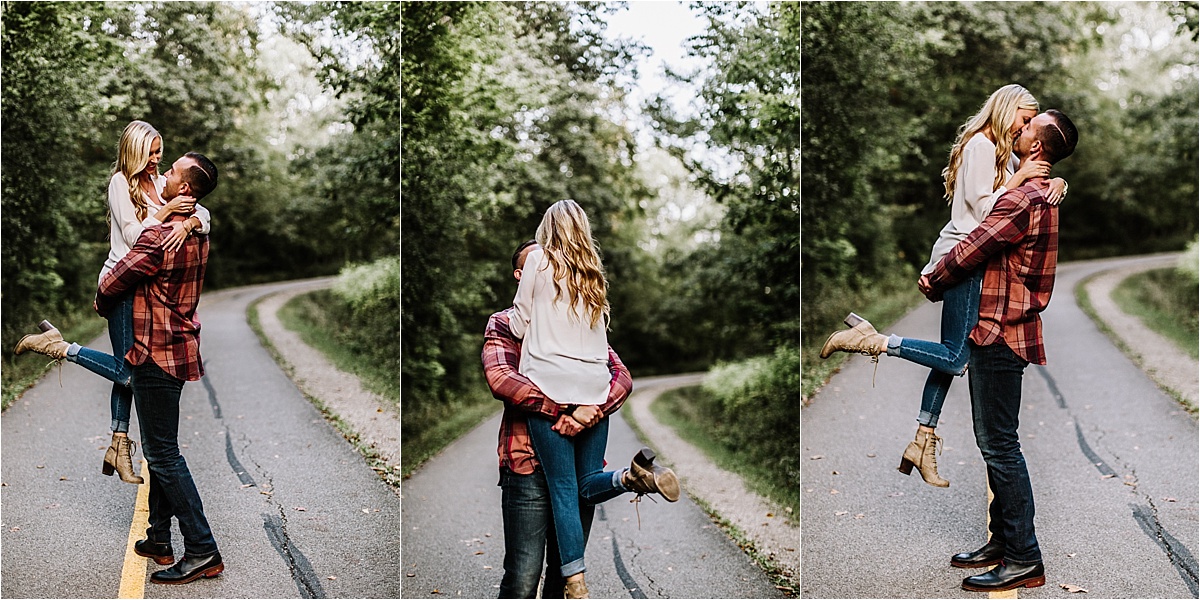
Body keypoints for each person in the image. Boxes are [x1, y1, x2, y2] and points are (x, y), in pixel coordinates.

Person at [817, 85, 1067, 487]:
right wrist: (1021, 176)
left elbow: (1017, 197)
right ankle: (872, 340)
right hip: (962, 256)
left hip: (974, 259)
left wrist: (1059, 184)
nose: (1025, 128)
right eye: (1023, 118)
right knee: (955, 358)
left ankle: (922, 438)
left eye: (1030, 124)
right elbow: (984, 211)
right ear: (1006, 109)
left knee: (949, 354)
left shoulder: (997, 150)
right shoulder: (981, 147)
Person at [920, 109, 1078, 592]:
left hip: (998, 330)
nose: (1021, 127)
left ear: (1036, 148)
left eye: (1030, 126)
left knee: (999, 445)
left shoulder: (1022, 199)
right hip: (1013, 329)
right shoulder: (1038, 192)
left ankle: (1025, 557)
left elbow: (973, 248)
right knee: (997, 443)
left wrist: (932, 278)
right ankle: (1001, 541)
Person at [13, 120, 210, 484]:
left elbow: (203, 210)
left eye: (160, 154)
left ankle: (118, 444)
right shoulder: (121, 182)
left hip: (142, 290)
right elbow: (135, 236)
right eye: (151, 154)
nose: (157, 161)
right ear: (134, 152)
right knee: (129, 373)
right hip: (119, 285)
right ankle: (61, 348)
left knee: (128, 367)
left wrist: (190, 223)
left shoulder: (158, 182)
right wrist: (167, 215)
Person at [507, 201, 679, 600]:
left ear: (547, 229)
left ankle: (576, 582)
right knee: (587, 483)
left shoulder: (538, 263)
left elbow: (517, 324)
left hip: (549, 387)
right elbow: (599, 344)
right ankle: (631, 477)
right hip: (594, 391)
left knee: (564, 489)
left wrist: (528, 307)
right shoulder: (593, 276)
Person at [95, 151, 224, 585]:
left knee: (163, 455)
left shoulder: (159, 238)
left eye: (171, 172)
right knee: (163, 446)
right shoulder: (197, 233)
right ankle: (159, 538)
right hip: (180, 346)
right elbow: (202, 218)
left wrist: (101, 302)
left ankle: (203, 549)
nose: (164, 173)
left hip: (153, 353)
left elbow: (110, 284)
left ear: (184, 189)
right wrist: (187, 219)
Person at [483, 239, 634, 598]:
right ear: (523, 274)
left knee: (560, 578)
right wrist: (564, 410)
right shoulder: (504, 322)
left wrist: (590, 412)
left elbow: (619, 376)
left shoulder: (575, 320)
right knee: (522, 576)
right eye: (539, 262)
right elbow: (502, 378)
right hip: (526, 466)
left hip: (578, 459)